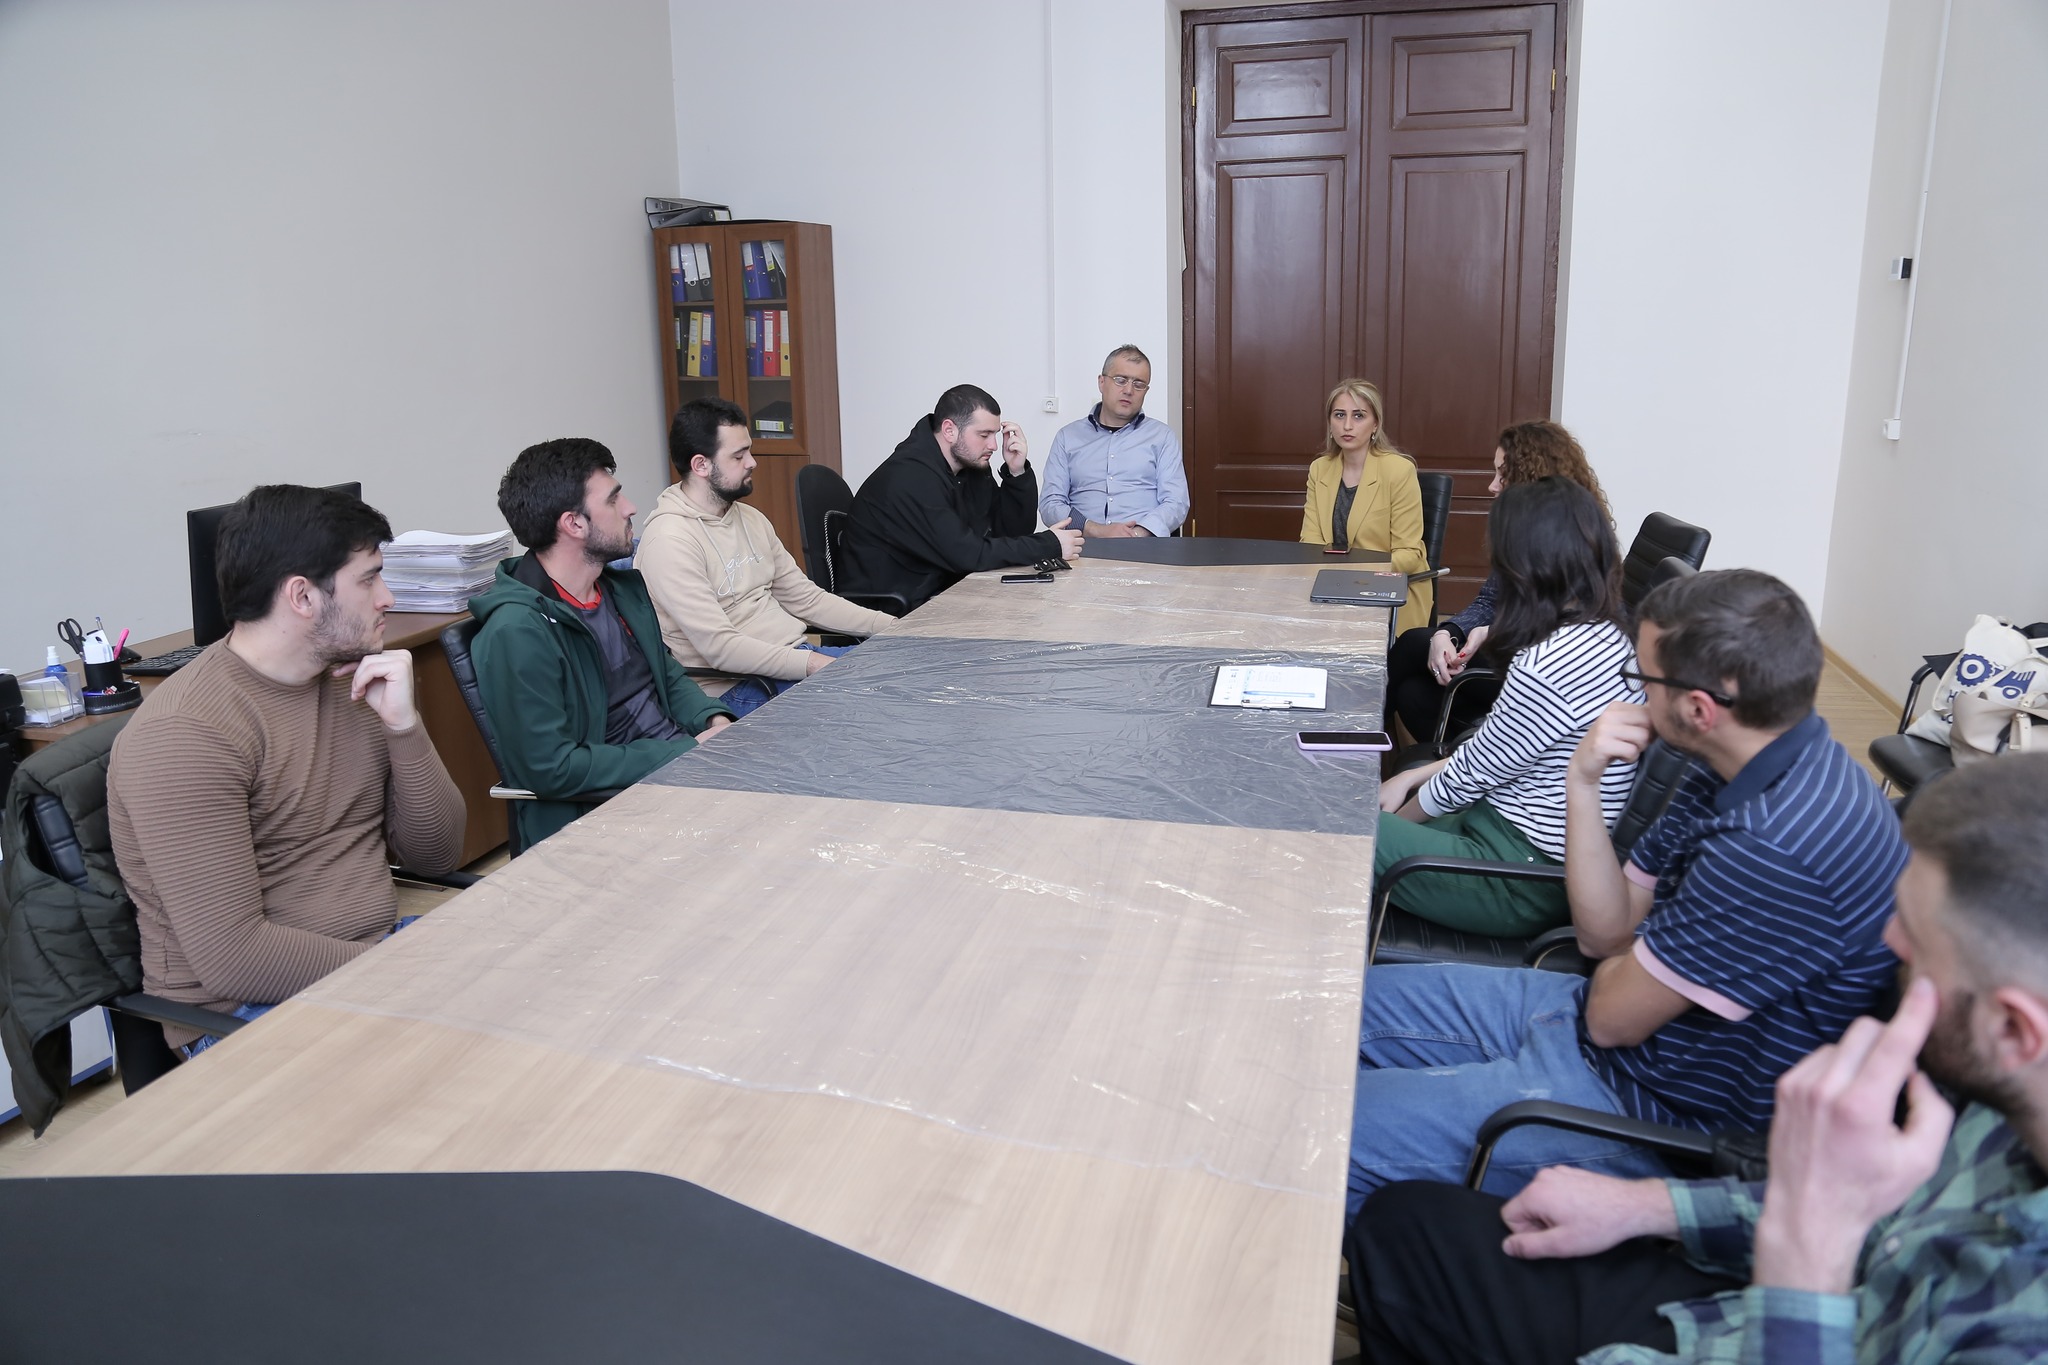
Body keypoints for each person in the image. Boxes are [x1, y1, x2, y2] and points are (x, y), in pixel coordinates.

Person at [1346, 753, 2048, 1364]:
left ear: (2015, 1029)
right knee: (1406, 1227)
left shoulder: (2024, 1327)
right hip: (1736, 1311)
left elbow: (1614, 995)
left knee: (1350, 1164)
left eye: (1914, 941)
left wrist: (1808, 1246)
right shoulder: (1996, 1111)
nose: (1884, 943)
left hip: (1781, 1317)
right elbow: (1883, 1232)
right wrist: (1651, 1206)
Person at [1347, 569, 1908, 1218]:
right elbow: (1605, 936)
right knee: (1336, 1007)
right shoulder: (1733, 765)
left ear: (1699, 708)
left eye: (1642, 679)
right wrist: (1581, 780)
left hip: (1644, 1102)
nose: (1631, 694)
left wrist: (1628, 964)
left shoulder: (1776, 843)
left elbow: (1614, 1017)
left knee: (1320, 1132)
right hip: (1594, 1017)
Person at [108, 484, 467, 1055]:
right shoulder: (185, 734)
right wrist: (407, 970)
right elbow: (235, 959)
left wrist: (405, 727)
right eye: (369, 579)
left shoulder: (353, 678)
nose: (388, 597)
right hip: (249, 1014)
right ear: (302, 596)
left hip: (374, 960)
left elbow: (436, 855)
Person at [1371, 478, 1641, 938]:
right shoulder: (1608, 633)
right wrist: (1409, 778)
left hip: (1517, 875)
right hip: (1516, 836)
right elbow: (1492, 756)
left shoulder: (1549, 662)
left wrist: (1393, 821)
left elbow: (1466, 780)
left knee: (1340, 828)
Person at [469, 438, 734, 849]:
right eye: (613, 499)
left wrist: (713, 722)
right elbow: (552, 768)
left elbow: (667, 675)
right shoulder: (516, 631)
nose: (630, 508)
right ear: (574, 524)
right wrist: (683, 753)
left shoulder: (616, 589)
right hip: (615, 810)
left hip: (679, 773)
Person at [637, 398, 894, 717]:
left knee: (908, 666)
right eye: (738, 456)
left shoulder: (750, 518)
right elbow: (720, 649)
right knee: (891, 700)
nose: (752, 463)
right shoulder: (669, 541)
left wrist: (894, 627)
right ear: (701, 465)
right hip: (738, 687)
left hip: (793, 661)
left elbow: (807, 600)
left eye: (749, 451)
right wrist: (813, 663)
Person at [1384, 420, 1613, 744]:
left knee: (1410, 645)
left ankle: (1352, 737)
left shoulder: (1570, 537)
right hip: (1508, 652)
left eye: (1502, 475)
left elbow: (1569, 630)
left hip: (1537, 672)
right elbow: (1489, 601)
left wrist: (1494, 631)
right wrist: (1448, 632)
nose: (1492, 486)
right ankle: (1471, 758)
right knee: (1413, 693)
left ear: (1531, 476)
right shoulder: (1524, 529)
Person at [837, 384, 1085, 613]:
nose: (994, 445)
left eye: (995, 434)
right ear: (949, 430)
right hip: (894, 610)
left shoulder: (968, 467)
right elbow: (969, 555)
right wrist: (1049, 545)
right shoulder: (911, 478)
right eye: (984, 435)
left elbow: (1008, 533)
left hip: (939, 592)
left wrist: (1016, 472)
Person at [1298, 378, 1433, 634]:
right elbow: (1311, 542)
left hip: (1386, 591)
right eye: (1339, 415)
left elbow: (1409, 554)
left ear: (1375, 424)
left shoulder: (1399, 470)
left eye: (1359, 416)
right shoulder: (1320, 469)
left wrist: (1353, 573)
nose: (1347, 425)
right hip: (1333, 588)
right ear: (1330, 423)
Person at [1038, 344, 1188, 538]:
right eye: (1120, 380)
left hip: (1144, 546)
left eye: (1138, 384)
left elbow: (1176, 502)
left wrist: (1136, 534)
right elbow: (1050, 504)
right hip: (1081, 545)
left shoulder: (1162, 437)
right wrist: (1095, 530)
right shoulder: (1067, 437)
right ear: (1102, 382)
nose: (1129, 390)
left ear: (1146, 390)